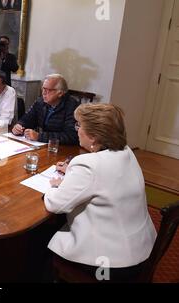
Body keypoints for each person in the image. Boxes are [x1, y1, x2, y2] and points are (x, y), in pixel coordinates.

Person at [44, 103, 157, 282]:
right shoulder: (126, 152)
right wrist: (72, 175)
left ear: (94, 137)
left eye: (79, 125)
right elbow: (105, 179)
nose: (77, 130)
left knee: (40, 240)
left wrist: (54, 185)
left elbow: (55, 204)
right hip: (141, 248)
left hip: (108, 263)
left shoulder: (87, 164)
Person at [12, 74, 79, 145]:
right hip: (44, 145)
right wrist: (19, 126)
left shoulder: (72, 106)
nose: (43, 93)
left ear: (60, 93)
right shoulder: (40, 102)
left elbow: (71, 136)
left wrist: (40, 136)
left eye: (48, 90)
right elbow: (28, 118)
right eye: (43, 89)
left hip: (63, 149)